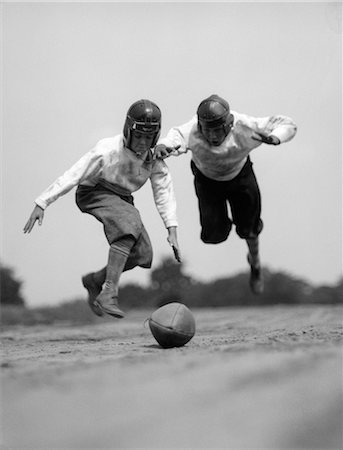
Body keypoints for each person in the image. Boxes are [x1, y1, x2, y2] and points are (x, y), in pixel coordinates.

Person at [24, 99, 181, 318]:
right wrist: (43, 202)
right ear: (128, 131)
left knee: (143, 254)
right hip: (94, 192)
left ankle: (94, 281)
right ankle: (109, 293)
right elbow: (74, 173)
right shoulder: (106, 150)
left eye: (149, 137)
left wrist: (171, 228)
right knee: (129, 221)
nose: (143, 142)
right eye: (139, 136)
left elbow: (163, 191)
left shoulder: (154, 158)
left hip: (122, 198)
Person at [154, 94, 297, 294]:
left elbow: (287, 124)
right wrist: (163, 148)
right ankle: (223, 221)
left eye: (217, 131)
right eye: (207, 131)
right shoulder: (192, 130)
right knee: (213, 235)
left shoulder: (245, 126)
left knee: (249, 229)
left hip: (240, 176)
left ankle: (255, 263)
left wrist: (276, 137)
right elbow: (173, 139)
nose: (212, 136)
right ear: (200, 126)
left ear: (229, 125)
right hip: (208, 181)